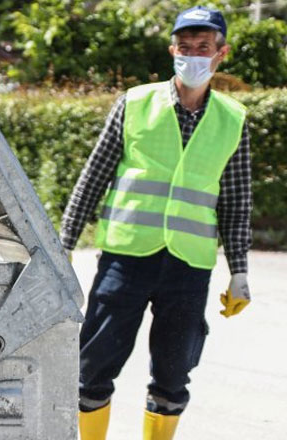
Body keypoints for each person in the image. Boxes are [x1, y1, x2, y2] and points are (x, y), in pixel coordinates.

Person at [61, 6, 252, 440]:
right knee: (92, 367)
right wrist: (64, 244)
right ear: (172, 51)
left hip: (188, 266)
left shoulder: (233, 119)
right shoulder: (135, 102)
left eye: (203, 47)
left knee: (172, 374)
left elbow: (238, 200)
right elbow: (93, 176)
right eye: (184, 47)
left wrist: (239, 271)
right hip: (126, 257)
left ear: (220, 53)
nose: (193, 55)